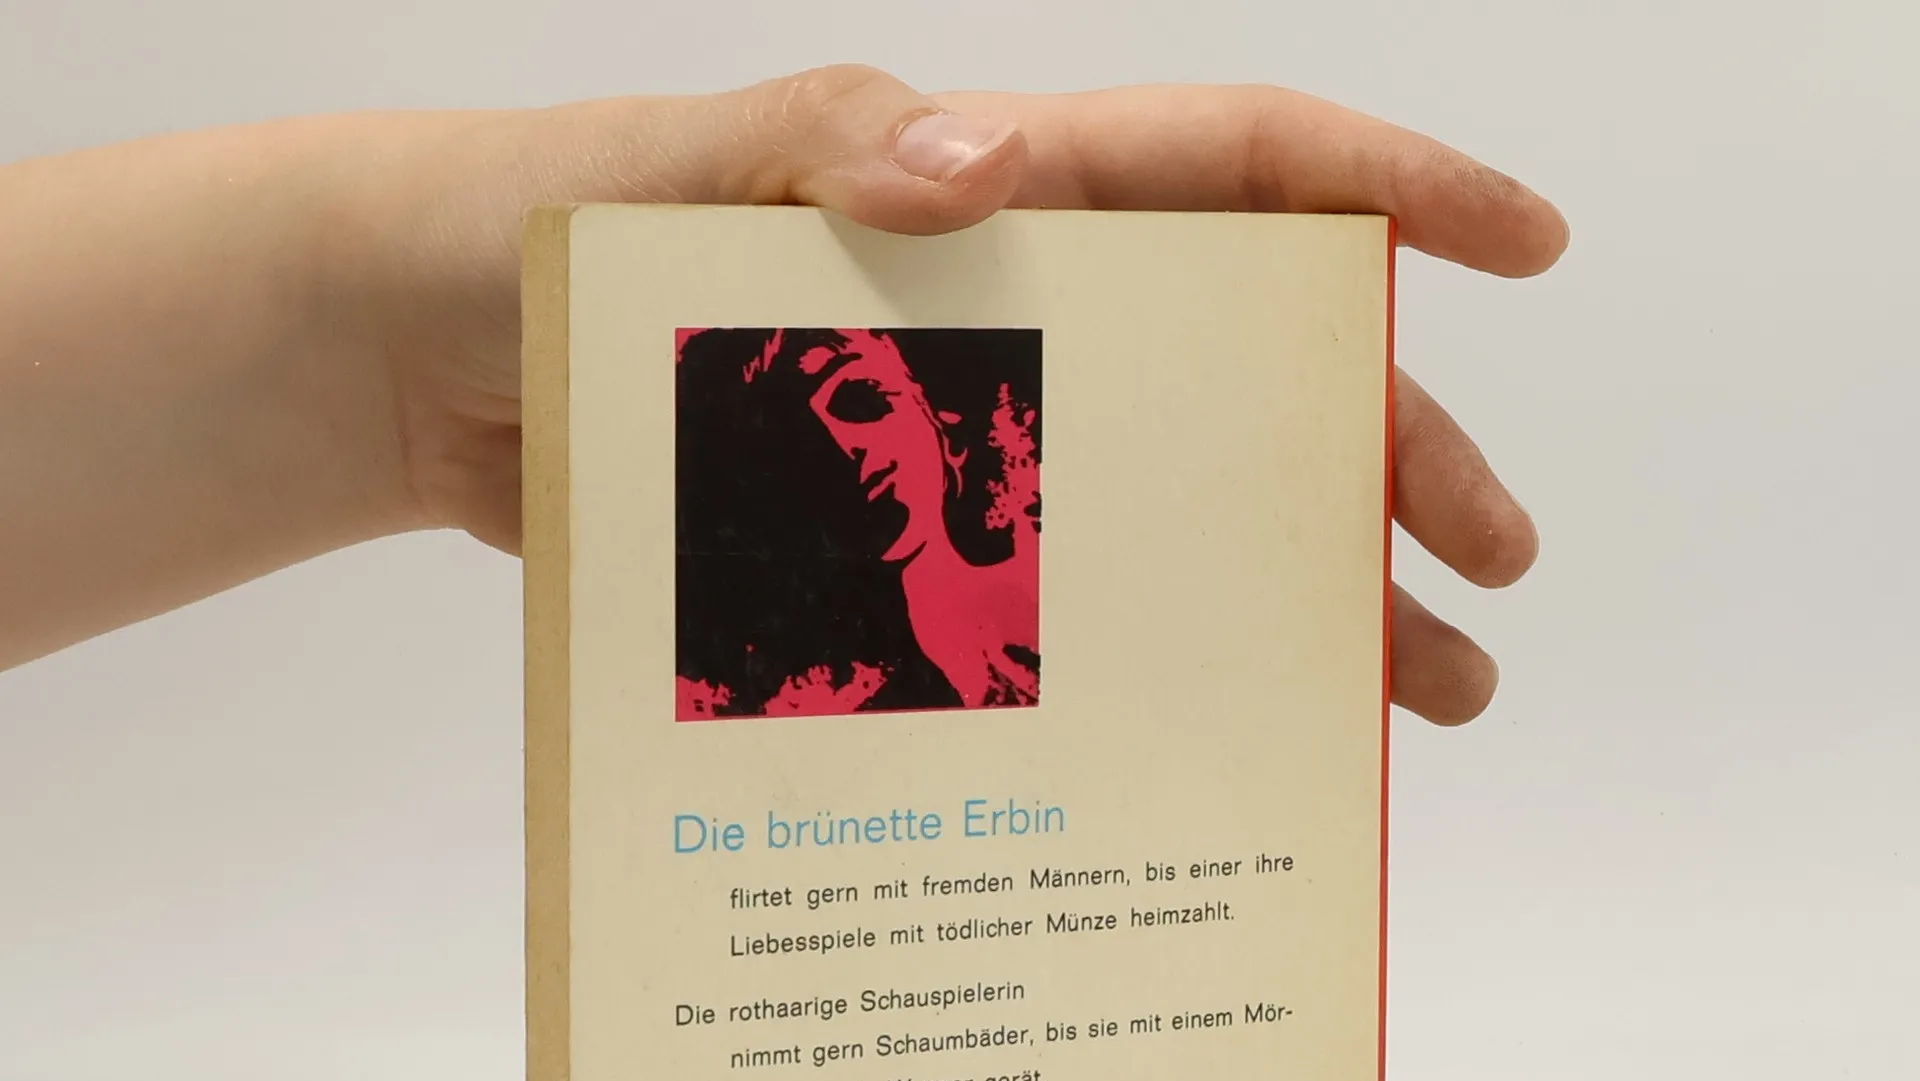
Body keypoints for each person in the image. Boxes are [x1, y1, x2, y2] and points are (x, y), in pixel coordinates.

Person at [0, 68, 1567, 723]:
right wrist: (382, 347)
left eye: (867, 402)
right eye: (813, 402)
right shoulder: (783, 665)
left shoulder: (992, 633)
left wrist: (378, 336)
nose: (847, 437)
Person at [675, 325, 1042, 718]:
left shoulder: (1041, 623)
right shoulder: (802, 702)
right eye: (795, 441)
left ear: (945, 434)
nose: (842, 445)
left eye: (861, 398)